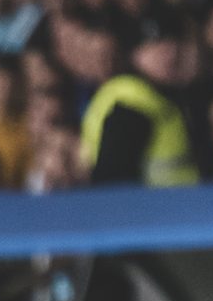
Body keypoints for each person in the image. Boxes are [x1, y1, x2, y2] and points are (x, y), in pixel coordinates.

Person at [81, 12, 198, 186]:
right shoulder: (133, 103)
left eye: (172, 44)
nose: (169, 54)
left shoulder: (167, 93)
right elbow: (114, 183)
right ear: (135, 55)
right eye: (155, 47)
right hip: (153, 202)